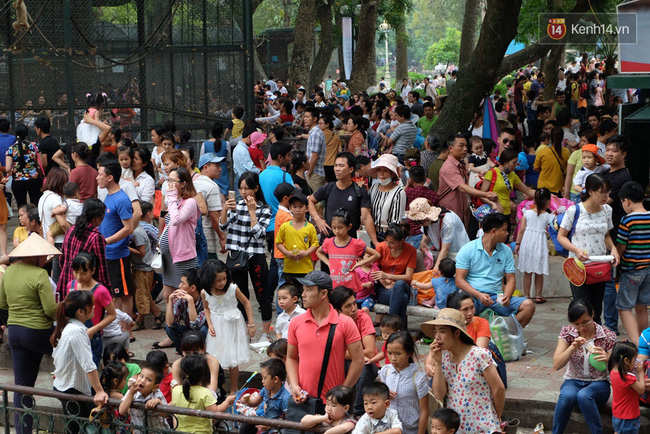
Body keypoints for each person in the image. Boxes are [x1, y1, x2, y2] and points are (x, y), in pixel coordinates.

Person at [0, 234, 60, 434]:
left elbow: (2, 304)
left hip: (14, 333)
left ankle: (22, 431)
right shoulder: (40, 274)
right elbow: (51, 311)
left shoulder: (8, 272)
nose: (47, 259)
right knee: (74, 359)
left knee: (22, 386)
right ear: (34, 256)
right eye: (44, 256)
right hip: (39, 332)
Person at [286, 271, 363, 409]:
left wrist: (343, 391)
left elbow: (358, 360)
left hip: (332, 404)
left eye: (308, 290)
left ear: (323, 294)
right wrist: (294, 385)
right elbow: (291, 358)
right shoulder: (296, 323)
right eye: (303, 290)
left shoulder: (344, 323)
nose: (303, 295)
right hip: (303, 400)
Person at [424, 308, 504, 433]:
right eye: (435, 332)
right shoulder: (445, 358)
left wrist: (496, 418)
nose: (437, 337)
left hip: (483, 427)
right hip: (457, 428)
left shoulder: (479, 355)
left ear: (456, 333)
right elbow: (439, 394)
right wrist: (438, 363)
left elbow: (498, 389)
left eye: (442, 332)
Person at [557, 174, 619, 325]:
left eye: (608, 191)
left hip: (599, 266)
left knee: (596, 309)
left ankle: (594, 343)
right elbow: (561, 236)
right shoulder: (575, 210)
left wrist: (614, 250)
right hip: (578, 267)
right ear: (591, 191)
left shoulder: (607, 210)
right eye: (602, 191)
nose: (606, 195)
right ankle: (577, 341)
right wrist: (577, 250)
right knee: (581, 307)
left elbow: (606, 236)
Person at [455, 213, 536, 327]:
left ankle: (506, 336)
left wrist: (506, 296)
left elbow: (511, 279)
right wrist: (479, 295)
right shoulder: (467, 249)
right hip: (473, 296)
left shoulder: (506, 251)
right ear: (493, 232)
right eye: (504, 230)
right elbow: (459, 280)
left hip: (496, 297)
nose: (507, 233)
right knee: (462, 308)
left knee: (528, 305)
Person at [220, 171, 274, 342]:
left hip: (256, 255)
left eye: (247, 188)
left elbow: (259, 234)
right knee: (241, 293)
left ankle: (265, 332)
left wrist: (252, 212)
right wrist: (225, 209)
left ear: (256, 188)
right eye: (241, 188)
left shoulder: (264, 209)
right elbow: (223, 227)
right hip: (237, 254)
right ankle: (244, 330)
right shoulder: (235, 205)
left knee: (262, 294)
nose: (243, 192)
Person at [551, 299, 616, 434]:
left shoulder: (607, 335)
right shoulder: (568, 333)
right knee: (566, 396)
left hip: (599, 383)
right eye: (576, 324)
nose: (581, 328)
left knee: (584, 395)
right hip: (573, 381)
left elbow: (618, 368)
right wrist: (573, 347)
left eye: (585, 322)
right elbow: (557, 364)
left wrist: (608, 358)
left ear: (592, 314)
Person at [51, 291, 109, 434]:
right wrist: (99, 391)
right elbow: (88, 365)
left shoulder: (69, 327)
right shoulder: (76, 331)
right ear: (81, 311)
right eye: (91, 306)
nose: (95, 308)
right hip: (72, 389)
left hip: (65, 386)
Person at [201, 259, 254, 395]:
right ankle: (218, 385)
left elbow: (246, 303)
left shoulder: (232, 289)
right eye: (218, 281)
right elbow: (206, 308)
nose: (222, 283)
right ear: (209, 280)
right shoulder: (205, 292)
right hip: (217, 325)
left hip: (233, 324)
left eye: (224, 278)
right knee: (214, 356)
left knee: (232, 357)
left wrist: (251, 324)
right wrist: (210, 324)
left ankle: (234, 387)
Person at [330, 286, 380, 416]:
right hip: (344, 362)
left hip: (368, 364)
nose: (353, 309)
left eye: (354, 304)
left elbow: (369, 352)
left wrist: (340, 354)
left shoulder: (362, 317)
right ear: (337, 310)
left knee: (362, 364)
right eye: (348, 306)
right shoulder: (332, 322)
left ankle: (358, 412)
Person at [309, 152, 379, 246]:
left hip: (350, 244)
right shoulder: (329, 187)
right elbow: (310, 200)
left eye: (341, 166)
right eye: (336, 165)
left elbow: (366, 217)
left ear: (351, 169)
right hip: (328, 242)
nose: (337, 169)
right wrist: (318, 220)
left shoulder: (359, 190)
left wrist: (375, 243)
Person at [96, 159, 135, 316]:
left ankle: (128, 330)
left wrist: (106, 241)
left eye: (100, 174)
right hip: (108, 253)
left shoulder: (121, 199)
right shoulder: (108, 196)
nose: (97, 178)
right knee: (114, 292)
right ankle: (119, 326)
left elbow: (129, 228)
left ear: (110, 177)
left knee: (124, 293)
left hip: (118, 254)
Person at [604, 134, 632, 334]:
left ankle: (611, 326)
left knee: (609, 281)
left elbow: (602, 201)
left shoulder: (623, 177)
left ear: (624, 154)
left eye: (614, 150)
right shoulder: (607, 172)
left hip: (613, 235)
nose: (609, 154)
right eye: (607, 149)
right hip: (605, 232)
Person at [68, 252, 117, 367]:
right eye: (76, 272)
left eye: (84, 273)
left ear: (93, 271)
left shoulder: (101, 291)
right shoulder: (71, 286)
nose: (79, 277)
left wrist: (93, 330)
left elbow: (112, 314)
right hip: (74, 335)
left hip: (92, 337)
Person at [615, 181, 650, 345]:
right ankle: (645, 341)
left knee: (624, 307)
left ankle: (638, 345)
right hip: (648, 270)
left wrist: (616, 257)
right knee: (642, 306)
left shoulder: (628, 220)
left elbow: (622, 245)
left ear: (626, 201)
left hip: (632, 271)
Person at [438, 135, 497, 225]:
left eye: (466, 146)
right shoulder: (449, 167)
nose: (465, 149)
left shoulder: (461, 164)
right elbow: (462, 188)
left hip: (462, 210)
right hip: (451, 213)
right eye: (461, 146)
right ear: (451, 148)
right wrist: (485, 194)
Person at [316, 209, 380, 293]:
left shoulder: (356, 244)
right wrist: (328, 263)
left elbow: (376, 255)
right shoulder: (329, 242)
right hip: (335, 285)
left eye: (340, 228)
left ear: (349, 227)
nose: (337, 231)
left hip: (351, 285)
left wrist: (360, 263)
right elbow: (318, 252)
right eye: (334, 228)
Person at [57, 199, 110, 298]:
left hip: (66, 283)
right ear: (97, 217)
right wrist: (107, 291)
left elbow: (62, 260)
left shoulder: (70, 230)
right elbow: (101, 269)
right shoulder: (96, 238)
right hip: (85, 290)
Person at [379, 332, 429, 434]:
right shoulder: (386, 371)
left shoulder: (418, 378)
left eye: (398, 354)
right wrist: (385, 393)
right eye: (389, 353)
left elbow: (424, 410)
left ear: (409, 353)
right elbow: (379, 395)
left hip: (411, 429)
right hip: (390, 428)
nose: (393, 358)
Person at [171, 354, 235, 434]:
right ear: (203, 375)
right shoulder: (205, 393)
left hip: (180, 431)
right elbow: (215, 413)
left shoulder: (176, 390)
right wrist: (227, 402)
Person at [406, 199, 469, 273]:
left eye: (419, 221)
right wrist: (423, 241)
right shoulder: (427, 221)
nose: (418, 224)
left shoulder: (447, 222)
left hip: (458, 253)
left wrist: (435, 270)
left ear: (427, 217)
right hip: (444, 253)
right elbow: (427, 231)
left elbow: (445, 249)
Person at [373, 224, 417, 326]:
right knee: (404, 298)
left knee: (400, 284)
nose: (388, 244)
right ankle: (398, 328)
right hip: (384, 288)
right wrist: (385, 284)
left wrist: (388, 276)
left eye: (392, 243)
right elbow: (374, 270)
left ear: (401, 240)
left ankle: (389, 323)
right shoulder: (381, 247)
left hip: (402, 285)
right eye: (386, 241)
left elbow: (408, 277)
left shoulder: (410, 251)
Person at [515, 188, 553, 303]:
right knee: (539, 271)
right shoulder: (549, 217)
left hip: (527, 242)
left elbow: (521, 230)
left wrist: (517, 244)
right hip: (540, 243)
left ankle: (526, 295)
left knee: (527, 271)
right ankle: (538, 295)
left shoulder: (527, 213)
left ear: (534, 200)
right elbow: (552, 231)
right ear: (548, 201)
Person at [130, 201, 164, 330]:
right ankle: (158, 314)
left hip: (144, 268)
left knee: (142, 295)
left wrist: (126, 248)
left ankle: (139, 321)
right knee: (144, 294)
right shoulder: (139, 229)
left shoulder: (138, 231)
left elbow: (141, 252)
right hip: (142, 267)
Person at [481, 148, 535, 224]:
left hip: (507, 213)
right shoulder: (492, 173)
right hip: (494, 213)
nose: (516, 166)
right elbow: (482, 194)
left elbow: (528, 191)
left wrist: (546, 195)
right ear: (506, 162)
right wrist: (493, 204)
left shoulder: (512, 175)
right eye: (514, 163)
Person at [238, 358, 291, 434]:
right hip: (266, 420)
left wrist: (270, 426)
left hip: (278, 428)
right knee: (246, 426)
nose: (262, 381)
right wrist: (247, 401)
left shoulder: (285, 398)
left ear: (276, 379)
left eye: (265, 378)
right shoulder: (265, 390)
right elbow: (255, 403)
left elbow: (289, 421)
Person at [160, 268, 207, 353]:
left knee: (204, 329)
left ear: (193, 288)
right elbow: (170, 323)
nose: (179, 286)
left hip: (202, 332)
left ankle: (200, 352)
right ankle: (183, 352)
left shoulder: (205, 298)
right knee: (169, 328)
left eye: (182, 283)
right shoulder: (180, 297)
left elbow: (196, 325)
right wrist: (170, 300)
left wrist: (190, 301)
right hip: (189, 330)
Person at [275, 192, 319, 279]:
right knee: (290, 291)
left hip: (305, 268)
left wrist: (306, 252)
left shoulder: (310, 227)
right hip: (289, 268)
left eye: (301, 206)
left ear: (306, 208)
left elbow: (315, 244)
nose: (297, 210)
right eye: (294, 207)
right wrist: (287, 253)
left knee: (305, 291)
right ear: (290, 208)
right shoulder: (285, 226)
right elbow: (278, 243)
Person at [118, 363, 170, 433]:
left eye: (148, 380)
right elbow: (121, 411)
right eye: (141, 376)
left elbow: (165, 414)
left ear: (155, 387)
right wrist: (131, 393)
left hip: (158, 431)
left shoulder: (158, 394)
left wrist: (159, 402)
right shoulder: (132, 391)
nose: (142, 381)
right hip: (140, 431)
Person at [608, 342, 644, 434]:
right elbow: (641, 390)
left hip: (617, 413)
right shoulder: (628, 377)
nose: (636, 362)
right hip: (629, 416)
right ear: (626, 361)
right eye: (634, 359)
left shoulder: (613, 372)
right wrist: (640, 373)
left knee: (618, 431)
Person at [368, 154, 406, 240]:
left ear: (392, 174)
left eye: (385, 170)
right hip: (373, 233)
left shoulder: (399, 192)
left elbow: (396, 221)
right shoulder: (374, 188)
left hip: (389, 236)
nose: (381, 174)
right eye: (379, 170)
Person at [6, 124, 42, 208]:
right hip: (34, 179)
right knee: (35, 204)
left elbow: (7, 168)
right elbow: (41, 164)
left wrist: (13, 171)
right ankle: (35, 220)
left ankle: (22, 220)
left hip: (18, 180)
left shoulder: (11, 148)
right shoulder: (34, 146)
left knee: (21, 205)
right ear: (27, 134)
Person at [533, 126, 570, 196]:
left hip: (543, 187)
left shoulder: (543, 151)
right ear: (562, 137)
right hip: (559, 188)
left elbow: (535, 168)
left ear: (550, 138)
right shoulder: (566, 152)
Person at [301, 107, 327, 192]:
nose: (305, 119)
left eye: (307, 117)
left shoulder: (316, 133)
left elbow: (314, 156)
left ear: (315, 118)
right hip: (314, 172)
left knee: (317, 202)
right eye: (304, 117)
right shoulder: (314, 132)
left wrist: (309, 173)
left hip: (315, 172)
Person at [320, 115, 343, 182]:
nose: (319, 125)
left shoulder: (320, 135)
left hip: (322, 164)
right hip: (333, 164)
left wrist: (302, 135)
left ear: (327, 124)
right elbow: (340, 152)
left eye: (321, 123)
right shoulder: (336, 137)